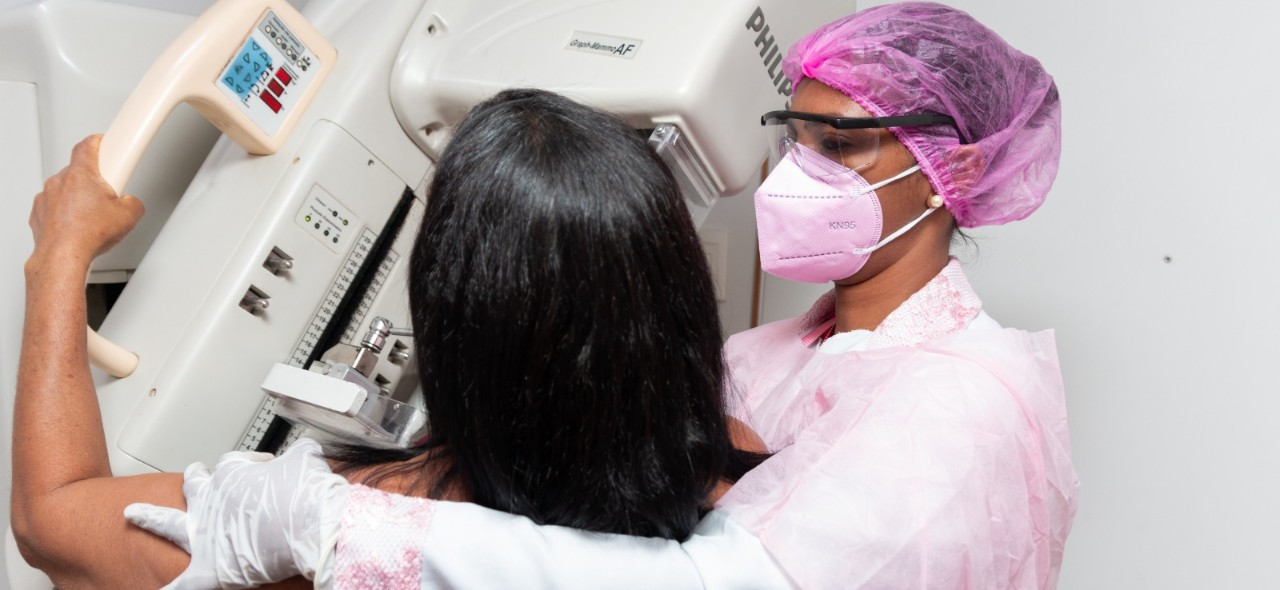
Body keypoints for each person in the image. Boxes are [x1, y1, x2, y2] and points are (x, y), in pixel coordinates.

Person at [124, 3, 1079, 589]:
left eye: (842, 146)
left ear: (954, 169)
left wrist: (340, 523)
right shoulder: (763, 357)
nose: (801, 171)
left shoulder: (967, 400)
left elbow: (715, 583)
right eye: (796, 138)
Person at [11, 88, 776, 588]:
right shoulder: (735, 465)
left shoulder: (339, 530)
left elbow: (51, 517)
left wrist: (59, 257)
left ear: (456, 317)